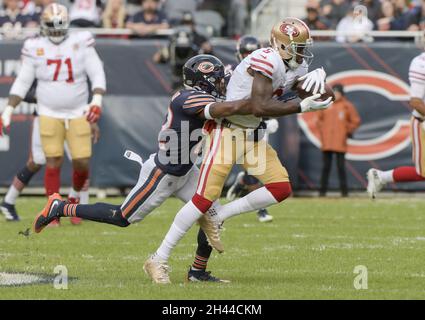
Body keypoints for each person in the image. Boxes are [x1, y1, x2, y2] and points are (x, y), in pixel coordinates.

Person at [32, 54, 275, 282]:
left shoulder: (204, 96)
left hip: (187, 171)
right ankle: (61, 207)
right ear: (206, 81)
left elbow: (231, 102)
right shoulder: (188, 98)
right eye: (219, 80)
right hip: (163, 174)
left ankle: (197, 271)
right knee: (122, 217)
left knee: (213, 216)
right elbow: (229, 109)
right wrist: (258, 104)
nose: (222, 84)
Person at [144, 18, 333, 284]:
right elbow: (259, 106)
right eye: (296, 46)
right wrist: (301, 106)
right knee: (203, 200)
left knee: (280, 188)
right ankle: (158, 258)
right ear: (279, 44)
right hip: (228, 132)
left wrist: (321, 83)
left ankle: (220, 216)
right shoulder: (267, 59)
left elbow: (324, 96)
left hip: (252, 135)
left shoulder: (296, 62)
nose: (302, 52)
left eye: (303, 46)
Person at [0, 3, 106, 227]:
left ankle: (75, 200)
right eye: (52, 26)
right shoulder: (34, 46)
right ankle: (52, 210)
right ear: (43, 25)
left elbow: (96, 72)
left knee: (81, 161)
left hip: (78, 111)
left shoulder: (81, 41)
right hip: (48, 112)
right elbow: (23, 81)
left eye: (60, 26)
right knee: (52, 160)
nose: (57, 31)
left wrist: (96, 100)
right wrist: (9, 108)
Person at [225, 35, 275, 223]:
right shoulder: (230, 72)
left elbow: (269, 100)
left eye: (252, 52)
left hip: (256, 125)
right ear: (239, 53)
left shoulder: (267, 71)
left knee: (258, 167)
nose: (249, 56)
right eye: (246, 52)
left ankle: (261, 208)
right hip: (231, 126)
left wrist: (268, 120)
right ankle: (243, 181)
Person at [367, 51, 425, 198]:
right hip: (422, 122)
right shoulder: (421, 63)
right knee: (423, 172)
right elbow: (416, 102)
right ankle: (381, 177)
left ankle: (381, 177)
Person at [316, 84, 361, 197]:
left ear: (342, 93)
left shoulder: (347, 106)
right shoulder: (326, 104)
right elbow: (318, 120)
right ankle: (322, 192)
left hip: (340, 141)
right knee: (326, 167)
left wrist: (347, 129)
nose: (336, 94)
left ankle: (344, 192)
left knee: (341, 167)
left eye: (338, 92)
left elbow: (355, 120)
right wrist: (324, 131)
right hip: (327, 142)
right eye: (334, 92)